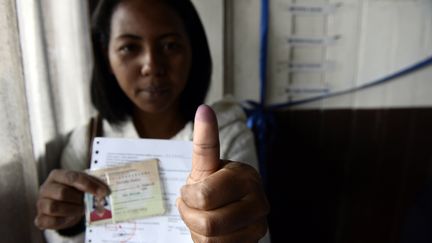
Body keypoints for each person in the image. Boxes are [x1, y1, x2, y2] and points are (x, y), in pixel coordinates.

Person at [34, 0, 270, 242]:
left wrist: (239, 228)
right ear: (107, 59)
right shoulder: (87, 141)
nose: (152, 66)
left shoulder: (227, 134)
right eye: (129, 48)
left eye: (170, 45)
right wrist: (66, 223)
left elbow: (255, 232)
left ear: (192, 52)